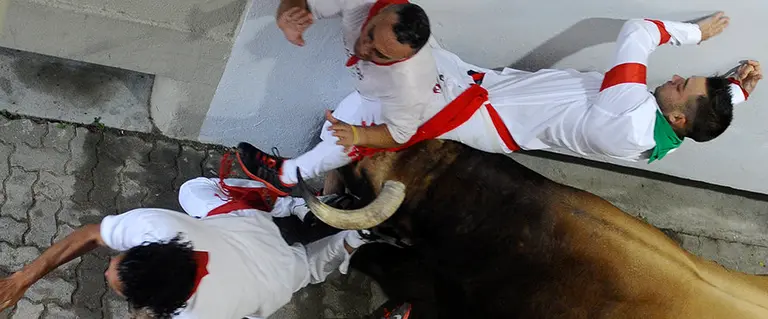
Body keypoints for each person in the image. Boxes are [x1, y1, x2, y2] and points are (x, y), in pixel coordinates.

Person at [238, 11, 761, 196]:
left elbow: (639, 31)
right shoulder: (670, 136)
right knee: (410, 35)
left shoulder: (628, 113)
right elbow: (702, 121)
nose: (674, 78)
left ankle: (287, 175)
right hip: (492, 89)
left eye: (682, 85)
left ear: (675, 114)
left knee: (369, 106)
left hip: (481, 111)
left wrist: (694, 34)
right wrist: (732, 91)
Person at [0, 176, 411, 319]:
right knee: (192, 191)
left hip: (282, 278)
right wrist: (22, 279)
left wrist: (22, 281)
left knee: (312, 268)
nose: (108, 267)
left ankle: (355, 238)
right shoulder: (159, 227)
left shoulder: (195, 313)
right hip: (257, 229)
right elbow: (91, 234)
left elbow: (92, 235)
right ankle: (294, 207)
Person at [238, 0, 444, 196]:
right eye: (370, 34)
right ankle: (328, 195)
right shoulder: (362, 3)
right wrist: (288, 13)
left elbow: (400, 133)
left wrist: (359, 135)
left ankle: (285, 176)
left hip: (424, 111)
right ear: (380, 12)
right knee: (336, 124)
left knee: (348, 139)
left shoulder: (409, 83)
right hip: (372, 91)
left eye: (380, 54)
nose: (363, 48)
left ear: (403, 58)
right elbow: (302, 3)